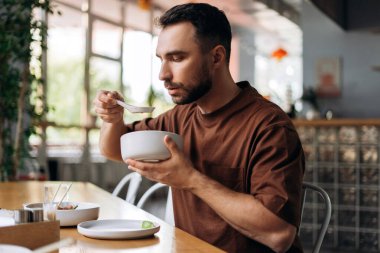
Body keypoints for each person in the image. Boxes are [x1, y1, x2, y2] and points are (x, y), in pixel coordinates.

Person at [93, 3, 305, 253]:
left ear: (216, 57)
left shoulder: (270, 127)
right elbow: (116, 149)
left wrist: (191, 179)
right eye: (161, 59)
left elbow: (279, 233)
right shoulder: (181, 116)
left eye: (177, 58)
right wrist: (112, 119)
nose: (162, 74)